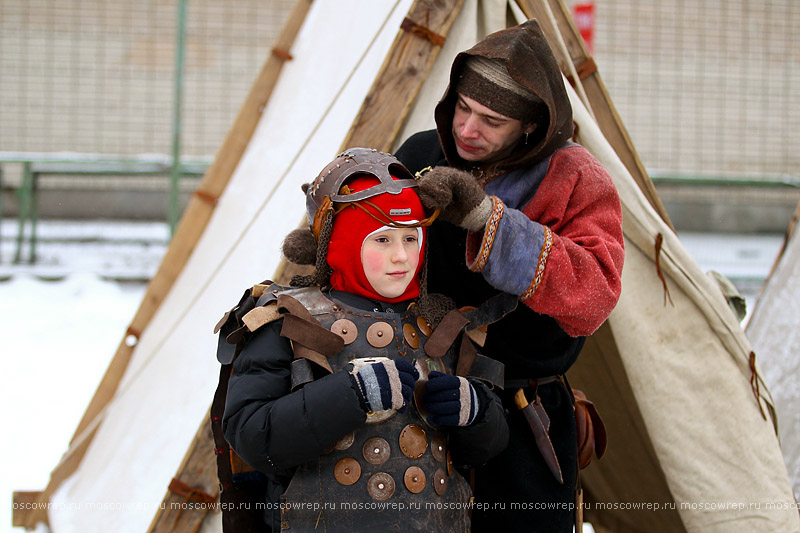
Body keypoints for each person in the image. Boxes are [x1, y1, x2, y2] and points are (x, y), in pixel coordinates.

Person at [394, 19, 625, 532]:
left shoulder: (576, 179)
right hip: (417, 402)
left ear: (529, 125)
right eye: (463, 108)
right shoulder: (419, 155)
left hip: (520, 417)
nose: (467, 130)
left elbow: (596, 292)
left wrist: (486, 221)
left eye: (491, 119)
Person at [220, 148, 509, 532]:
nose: (402, 258)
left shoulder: (438, 322)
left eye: (410, 238)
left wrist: (477, 413)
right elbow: (251, 436)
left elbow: (483, 452)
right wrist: (349, 396)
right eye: (383, 240)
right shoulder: (286, 318)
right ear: (342, 243)